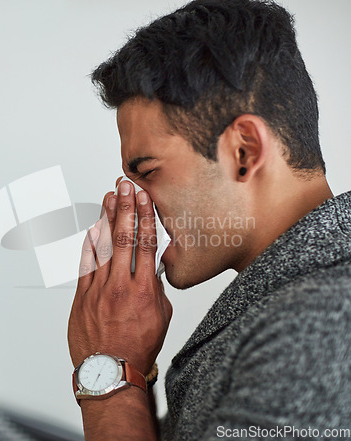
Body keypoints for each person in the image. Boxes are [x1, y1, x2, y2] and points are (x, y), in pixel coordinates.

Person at [67, 0, 351, 439]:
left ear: (244, 151)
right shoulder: (295, 297)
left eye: (147, 171)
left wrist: (109, 372)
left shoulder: (322, 323)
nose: (135, 201)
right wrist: (131, 369)